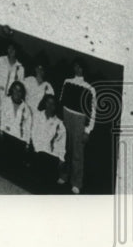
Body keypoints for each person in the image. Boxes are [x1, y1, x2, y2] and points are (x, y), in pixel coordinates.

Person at [58, 58, 98, 194]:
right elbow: (61, 101)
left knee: (77, 153)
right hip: (66, 116)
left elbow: (93, 112)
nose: (77, 69)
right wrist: (60, 120)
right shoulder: (67, 82)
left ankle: (76, 183)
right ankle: (63, 175)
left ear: (84, 69)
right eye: (76, 66)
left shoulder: (90, 88)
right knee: (64, 149)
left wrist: (88, 131)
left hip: (79, 121)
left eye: (80, 67)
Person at [32, 94, 67, 182]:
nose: (50, 106)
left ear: (56, 107)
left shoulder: (59, 123)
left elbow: (62, 144)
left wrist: (61, 159)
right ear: (44, 103)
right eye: (48, 103)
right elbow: (33, 133)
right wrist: (37, 150)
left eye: (53, 104)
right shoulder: (37, 115)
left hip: (51, 156)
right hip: (37, 151)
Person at [0, 80, 34, 162]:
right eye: (15, 89)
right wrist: (1, 131)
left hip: (19, 140)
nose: (17, 92)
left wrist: (27, 143)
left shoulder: (26, 109)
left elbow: (28, 127)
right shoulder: (5, 101)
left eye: (19, 91)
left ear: (22, 94)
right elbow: (2, 118)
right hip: (6, 135)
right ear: (11, 90)